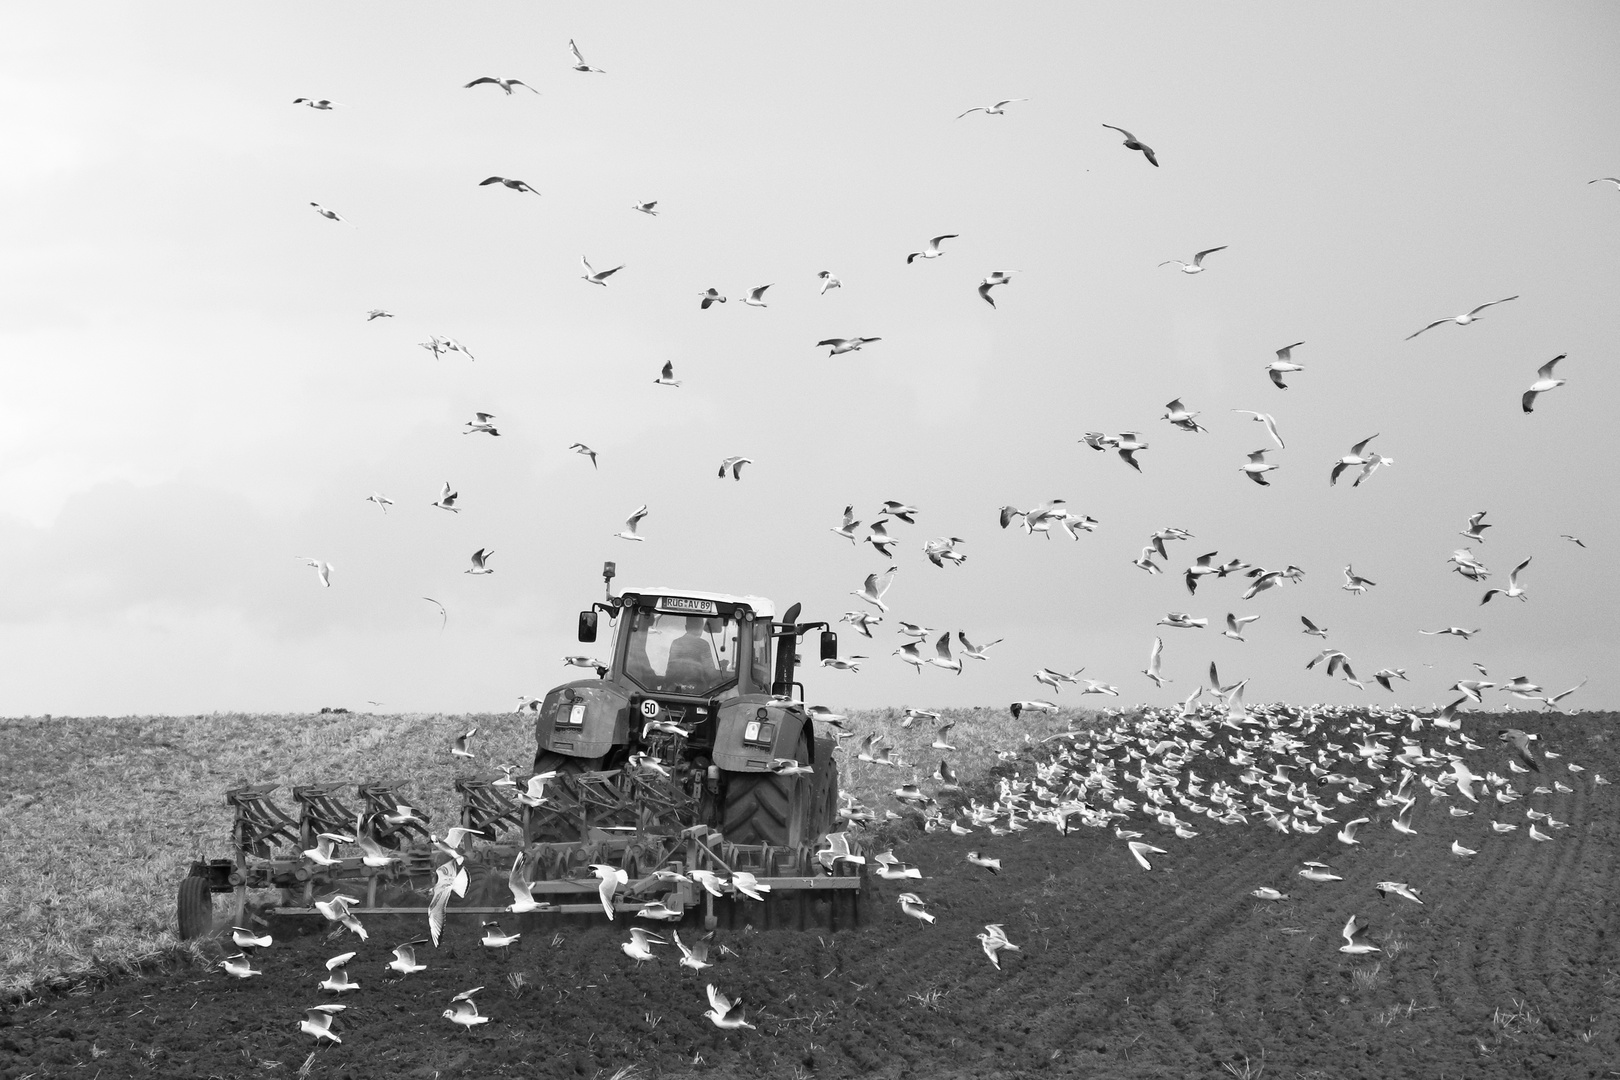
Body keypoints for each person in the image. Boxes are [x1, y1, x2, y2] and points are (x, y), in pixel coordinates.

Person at [665, 617, 718, 687]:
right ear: (701, 628)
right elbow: (709, 671)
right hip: (698, 692)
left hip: (674, 689)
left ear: (686, 627)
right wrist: (723, 675)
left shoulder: (676, 643)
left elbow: (671, 668)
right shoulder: (703, 644)